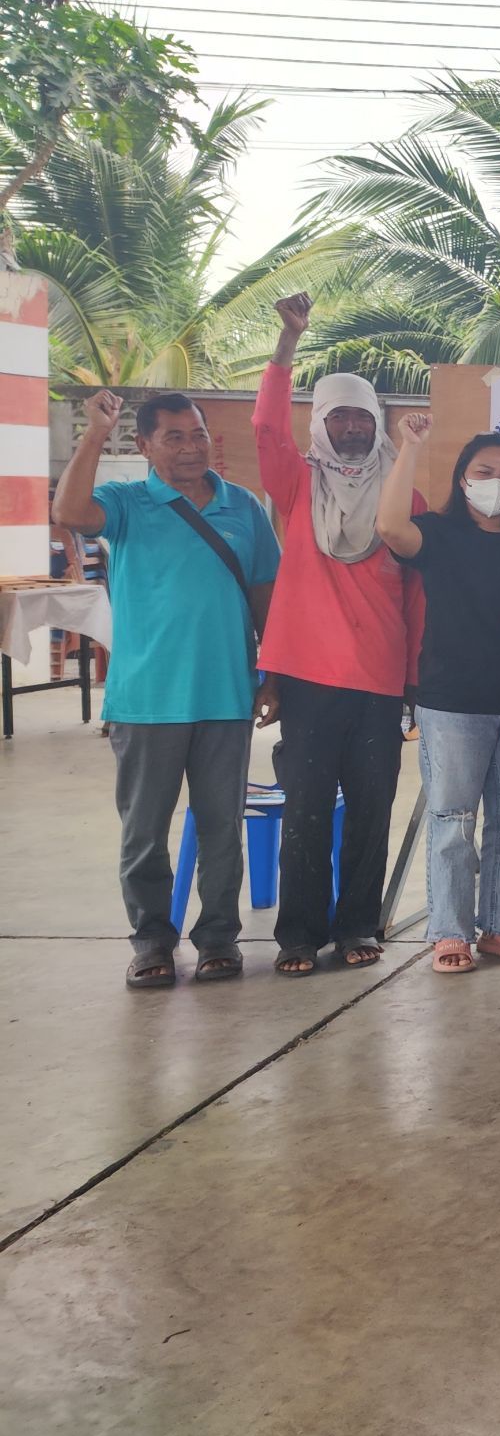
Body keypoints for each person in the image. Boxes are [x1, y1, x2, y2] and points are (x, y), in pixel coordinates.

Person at [54, 390, 279, 988]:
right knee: (144, 832)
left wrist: (274, 675)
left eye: (197, 434)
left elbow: (265, 593)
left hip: (226, 695)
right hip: (146, 701)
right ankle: (152, 941)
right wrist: (94, 433)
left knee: (222, 827)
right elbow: (70, 512)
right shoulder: (125, 502)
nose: (190, 447)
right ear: (145, 445)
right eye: (173, 437)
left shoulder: (243, 505)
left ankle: (219, 938)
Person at [249, 292, 422, 974]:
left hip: (379, 679)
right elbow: (266, 428)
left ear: (376, 422)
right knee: (307, 810)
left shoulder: (403, 492)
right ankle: (298, 934)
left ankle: (357, 927)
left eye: (362, 415)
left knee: (373, 809)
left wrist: (413, 681)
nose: (351, 426)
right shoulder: (297, 485)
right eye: (338, 415)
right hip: (309, 678)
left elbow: (418, 596)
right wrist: (287, 342)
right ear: (321, 422)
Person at [376, 414, 500, 976]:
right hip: (451, 700)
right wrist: (410, 445)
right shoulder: (438, 532)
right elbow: (389, 527)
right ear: (461, 478)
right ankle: (449, 933)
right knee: (453, 817)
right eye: (484, 471)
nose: (497, 483)